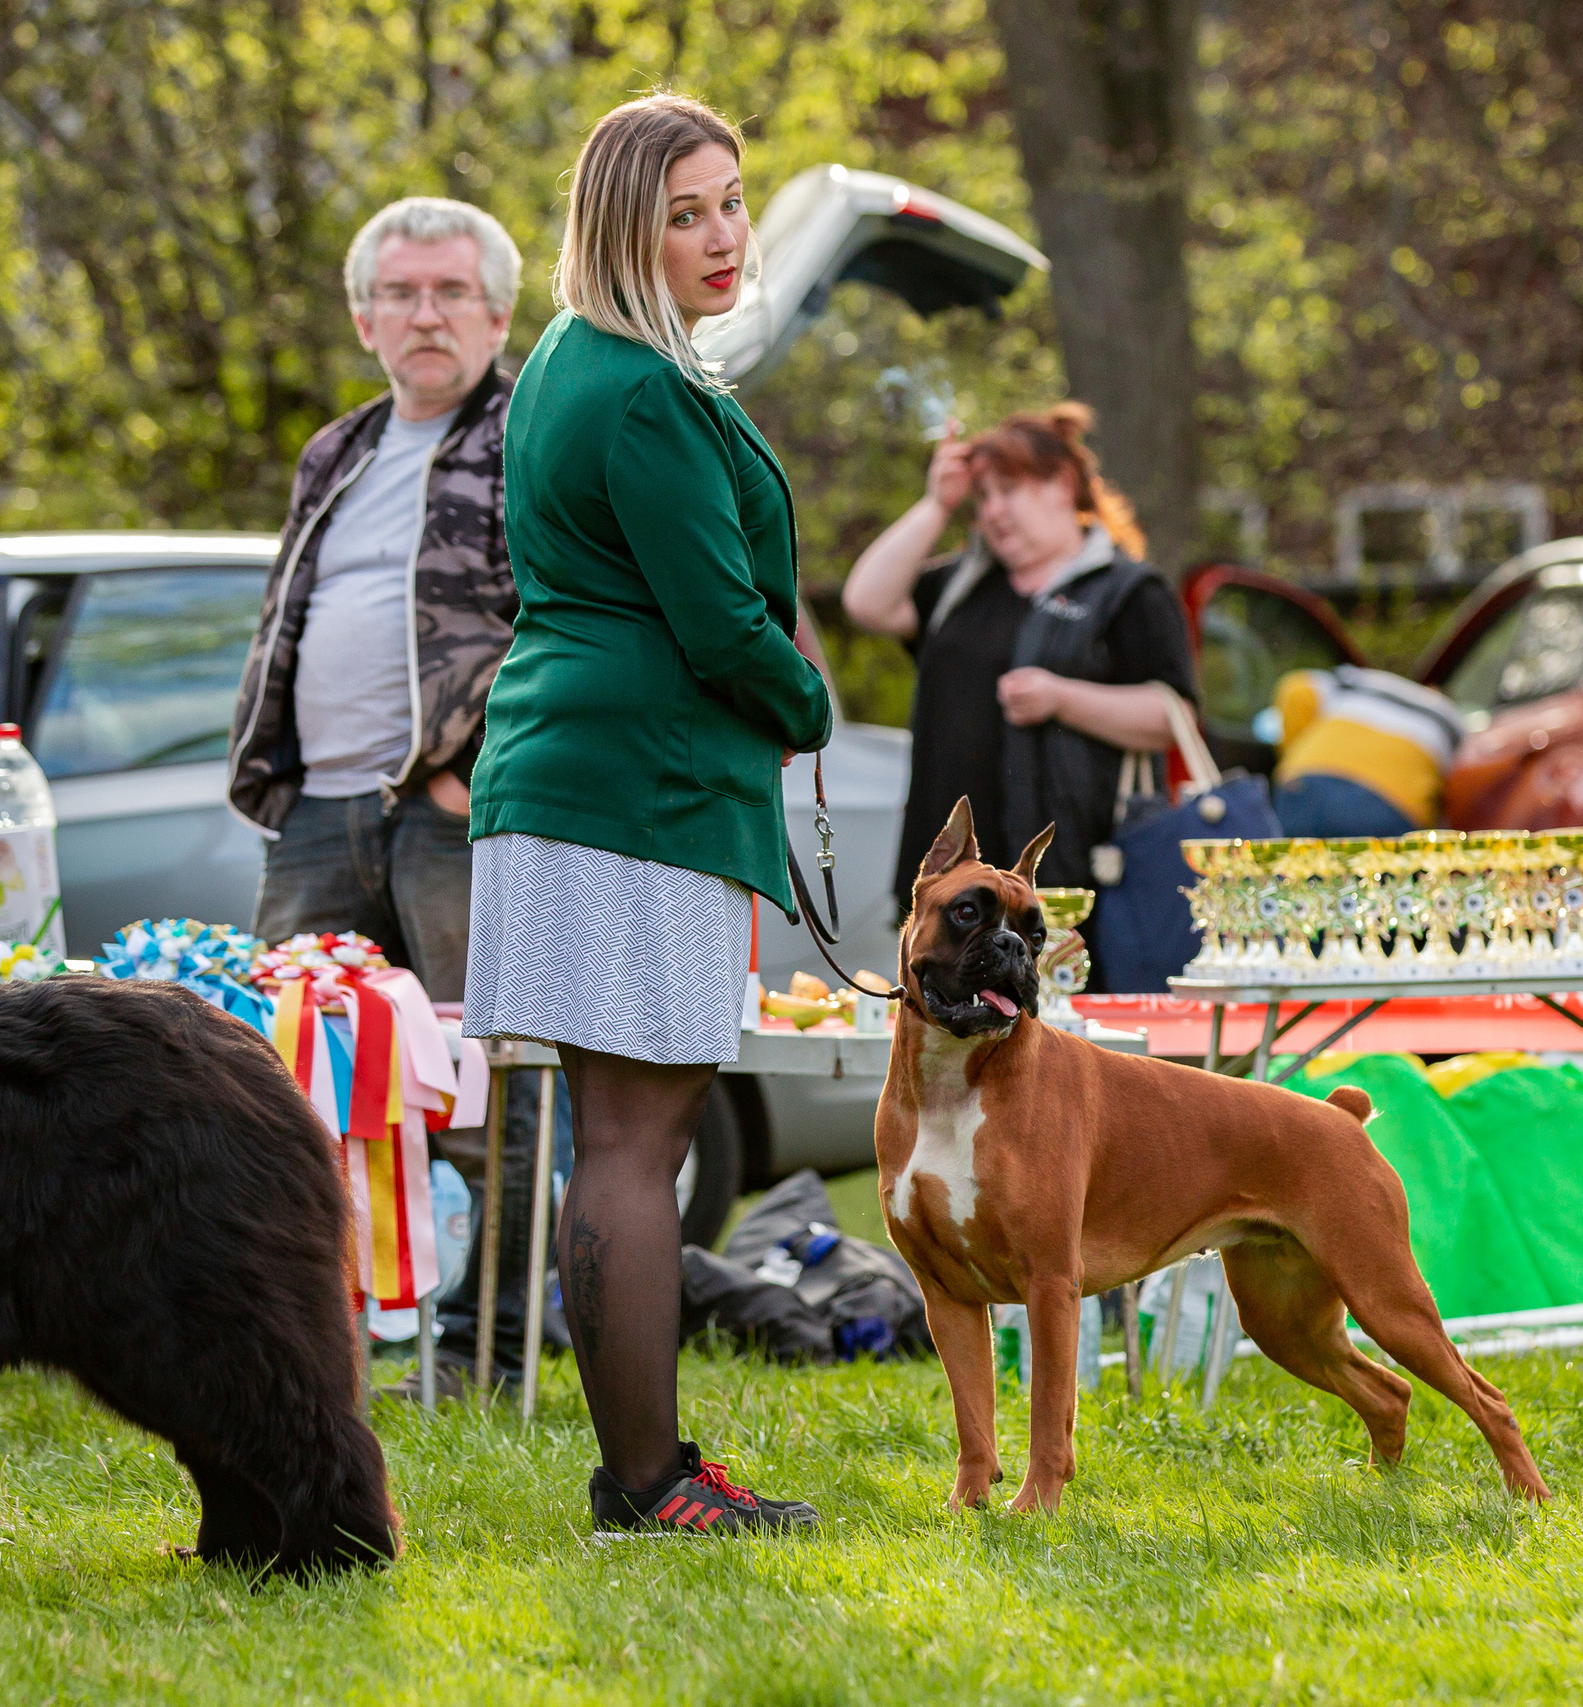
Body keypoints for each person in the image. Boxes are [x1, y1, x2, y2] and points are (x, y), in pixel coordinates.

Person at [465, 93, 833, 1534]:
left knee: (616, 1138)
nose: (724, 234)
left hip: (575, 771)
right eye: (686, 214)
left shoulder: (570, 358)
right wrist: (806, 706)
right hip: (636, 785)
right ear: (624, 230)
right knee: (632, 1144)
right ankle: (649, 1484)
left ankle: (647, 1471)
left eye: (732, 200)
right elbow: (723, 623)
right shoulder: (642, 389)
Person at [222, 196, 546, 1398]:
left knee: (484, 1093)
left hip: (454, 816)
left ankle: (482, 1356)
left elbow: (568, 618)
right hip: (318, 812)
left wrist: (478, 770)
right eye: (401, 294)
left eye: (451, 292)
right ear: (365, 319)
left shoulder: (535, 434)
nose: (426, 314)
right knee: (280, 1087)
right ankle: (300, 1354)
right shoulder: (336, 448)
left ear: (498, 315)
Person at [841, 404, 1199, 918]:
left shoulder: (1129, 591)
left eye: (1008, 490)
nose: (991, 512)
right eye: (982, 498)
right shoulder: (961, 586)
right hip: (946, 890)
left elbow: (1173, 717)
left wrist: (1062, 699)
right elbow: (866, 604)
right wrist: (938, 504)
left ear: (1063, 484)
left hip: (1071, 893)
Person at [1268, 665, 1466, 836]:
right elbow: (1462, 789)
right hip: (1391, 806)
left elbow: (1296, 688)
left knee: (1294, 865)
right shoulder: (1450, 718)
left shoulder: (1359, 682)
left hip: (1308, 785)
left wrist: (1292, 759)